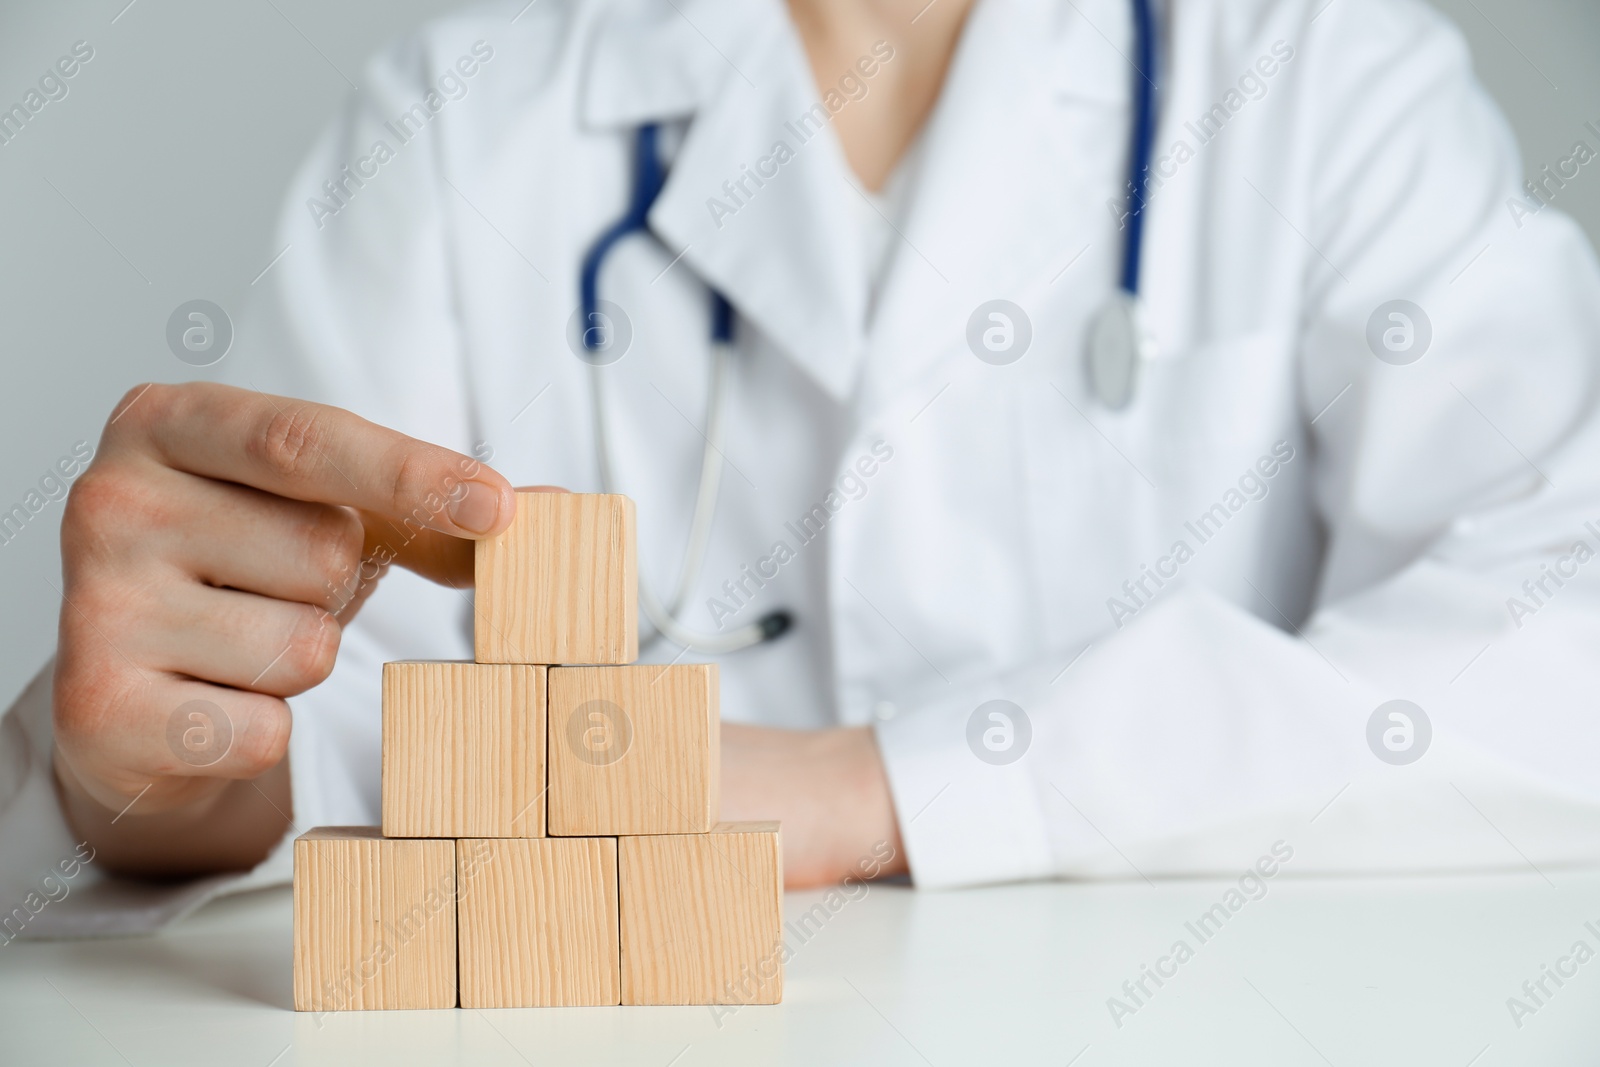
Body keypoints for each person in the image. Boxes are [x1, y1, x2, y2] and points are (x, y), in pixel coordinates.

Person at [7, 0, 1600, 923]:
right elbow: (317, 732)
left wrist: (877, 792)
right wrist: (151, 766)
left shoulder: (1327, 69)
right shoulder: (472, 112)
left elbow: (1569, 639)